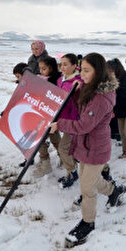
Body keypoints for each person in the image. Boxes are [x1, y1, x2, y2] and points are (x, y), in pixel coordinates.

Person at [49, 53, 126, 247]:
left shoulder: (102, 97)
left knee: (86, 187)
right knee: (87, 178)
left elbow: (84, 125)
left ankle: (88, 223)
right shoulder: (89, 87)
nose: (81, 74)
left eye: (86, 70)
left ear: (98, 72)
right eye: (81, 69)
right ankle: (114, 190)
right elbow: (80, 108)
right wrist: (75, 92)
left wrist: (60, 125)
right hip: (85, 145)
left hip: (96, 147)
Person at [55, 53, 82, 188]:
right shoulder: (61, 80)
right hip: (63, 119)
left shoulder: (78, 82)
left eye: (65, 64)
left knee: (63, 148)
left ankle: (72, 172)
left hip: (74, 121)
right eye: (61, 64)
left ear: (74, 66)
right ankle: (72, 169)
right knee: (69, 148)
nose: (62, 67)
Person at [33, 56, 63, 177]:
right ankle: (45, 161)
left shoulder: (56, 80)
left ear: (51, 68)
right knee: (40, 139)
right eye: (40, 68)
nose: (41, 71)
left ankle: (63, 158)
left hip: (50, 116)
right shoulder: (40, 78)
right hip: (40, 114)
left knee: (54, 138)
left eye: (44, 68)